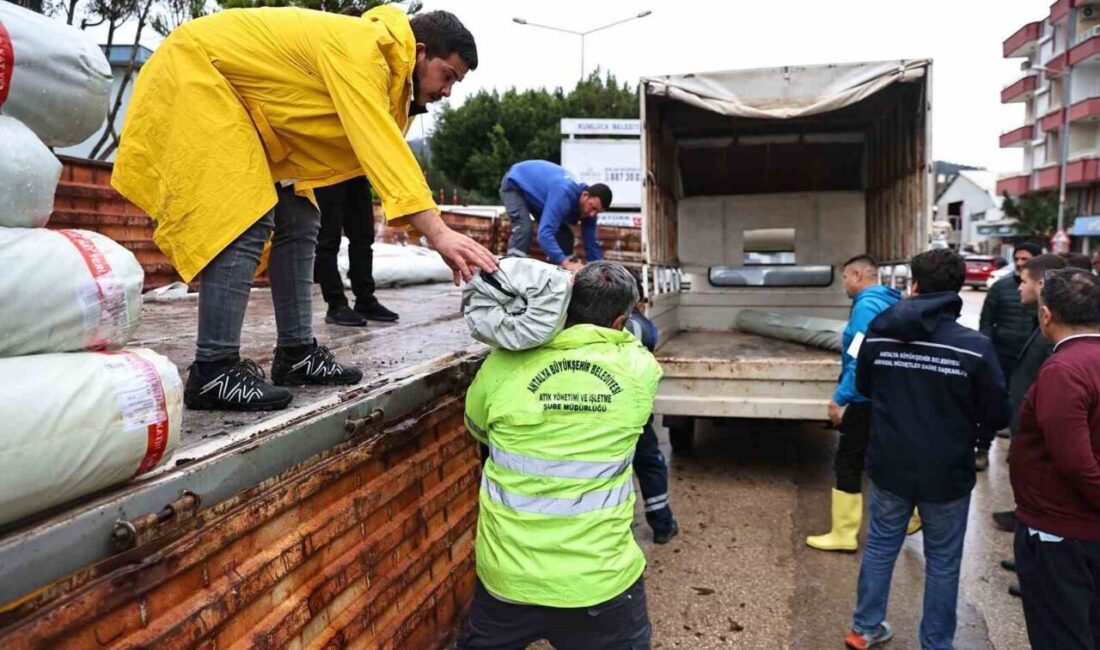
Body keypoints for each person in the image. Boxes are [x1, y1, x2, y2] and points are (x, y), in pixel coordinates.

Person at [112, 7, 497, 411]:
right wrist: (438, 232)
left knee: (300, 217)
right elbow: (381, 145)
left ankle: (296, 354)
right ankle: (214, 369)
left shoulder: (389, 76)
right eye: (447, 76)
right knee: (245, 215)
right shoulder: (365, 49)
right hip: (197, 75)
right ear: (419, 52)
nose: (447, 91)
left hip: (251, 110)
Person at [458, 261, 661, 649]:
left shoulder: (501, 364)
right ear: (620, 322)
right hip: (600, 581)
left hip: (509, 577)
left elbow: (477, 428)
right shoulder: (638, 369)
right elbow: (637, 341)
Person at [844, 249, 1010, 650]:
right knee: (943, 560)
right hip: (946, 471)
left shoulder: (879, 333)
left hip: (889, 463)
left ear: (914, 285)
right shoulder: (974, 347)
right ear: (957, 289)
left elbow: (864, 387)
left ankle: (864, 629)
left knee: (881, 545)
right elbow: (996, 412)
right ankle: (936, 643)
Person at [1010, 268, 1100, 650]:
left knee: (1061, 636)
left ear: (1046, 315)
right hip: (1081, 532)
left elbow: (1075, 462)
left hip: (1060, 534)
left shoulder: (1064, 369)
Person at [806, 255, 904, 553]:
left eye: (846, 277)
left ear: (858, 275)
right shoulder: (889, 300)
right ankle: (913, 515)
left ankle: (844, 534)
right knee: (887, 458)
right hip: (886, 393)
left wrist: (840, 397)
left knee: (848, 462)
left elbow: (860, 356)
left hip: (865, 397)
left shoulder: (865, 307)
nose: (844, 284)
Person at [991, 254, 1069, 542]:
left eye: (1024, 282)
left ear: (1040, 284)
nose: (1018, 288)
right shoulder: (1042, 322)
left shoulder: (1057, 330)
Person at [625, 278, 680, 544]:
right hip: (633, 409)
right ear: (639, 300)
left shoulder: (593, 322)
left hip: (609, 409)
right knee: (649, 464)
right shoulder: (641, 326)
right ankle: (662, 524)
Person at [313, 177, 399, 327]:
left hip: (357, 174)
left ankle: (365, 300)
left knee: (363, 238)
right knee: (327, 242)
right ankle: (336, 304)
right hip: (326, 175)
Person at [979, 242, 1041, 446]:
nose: (1020, 263)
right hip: (1001, 354)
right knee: (992, 400)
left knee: (1025, 401)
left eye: (1025, 259)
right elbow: (986, 321)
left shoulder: (1044, 290)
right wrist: (987, 350)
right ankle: (983, 445)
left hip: (1029, 357)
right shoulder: (1000, 287)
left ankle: (1018, 444)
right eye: (1017, 259)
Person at [499, 160, 611, 271]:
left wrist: (600, 271)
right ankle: (512, 269)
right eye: (592, 207)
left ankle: (563, 272)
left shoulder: (590, 208)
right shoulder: (564, 194)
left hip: (536, 195)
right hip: (515, 184)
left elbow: (591, 243)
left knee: (564, 234)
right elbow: (544, 234)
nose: (592, 214)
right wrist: (566, 263)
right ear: (585, 195)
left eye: (597, 212)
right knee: (524, 227)